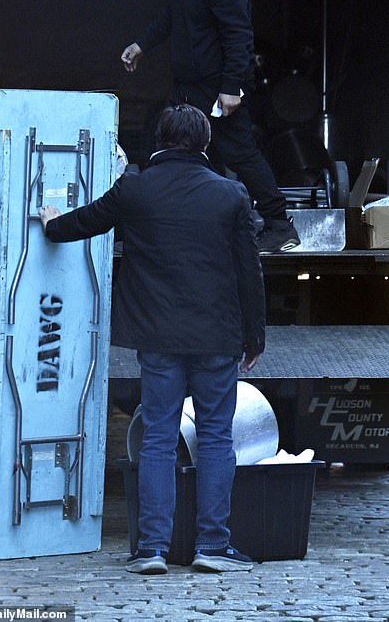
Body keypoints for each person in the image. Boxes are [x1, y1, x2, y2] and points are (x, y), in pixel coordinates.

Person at [39, 104, 266, 575]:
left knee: (159, 437)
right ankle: (211, 546)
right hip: (217, 337)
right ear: (205, 144)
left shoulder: (136, 189)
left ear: (159, 140)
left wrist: (51, 222)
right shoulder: (230, 195)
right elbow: (250, 271)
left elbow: (87, 222)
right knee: (216, 437)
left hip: (158, 337)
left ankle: (152, 549)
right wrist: (254, 337)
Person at [120, 0, 300, 254]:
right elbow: (174, 16)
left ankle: (280, 225)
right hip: (187, 86)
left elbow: (238, 34)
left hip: (217, 88)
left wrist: (232, 88)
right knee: (172, 151)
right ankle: (190, 228)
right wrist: (142, 44)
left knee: (240, 153)